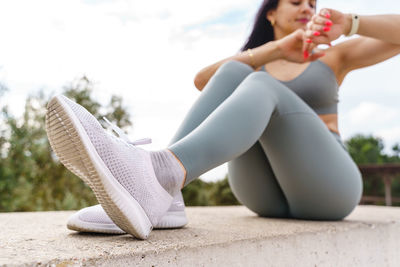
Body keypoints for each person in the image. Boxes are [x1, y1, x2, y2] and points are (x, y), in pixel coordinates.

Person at [45, 0, 400, 240]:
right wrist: (276, 49)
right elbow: (204, 80)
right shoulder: (259, 59)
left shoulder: (332, 57)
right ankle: (164, 197)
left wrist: (353, 23)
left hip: (329, 188)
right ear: (271, 14)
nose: (307, 7)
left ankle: (158, 176)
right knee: (234, 71)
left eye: (312, 3)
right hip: (263, 195)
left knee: (259, 83)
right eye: (295, 0)